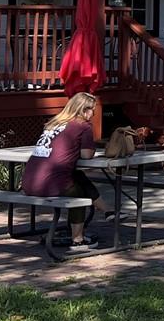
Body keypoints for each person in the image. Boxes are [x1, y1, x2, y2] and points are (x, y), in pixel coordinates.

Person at [22, 92, 109, 251]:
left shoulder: (53, 123)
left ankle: (109, 211)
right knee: (79, 195)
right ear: (84, 110)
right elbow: (86, 155)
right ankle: (78, 240)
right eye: (92, 110)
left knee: (77, 176)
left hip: (29, 182)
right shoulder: (83, 126)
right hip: (50, 184)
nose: (93, 114)